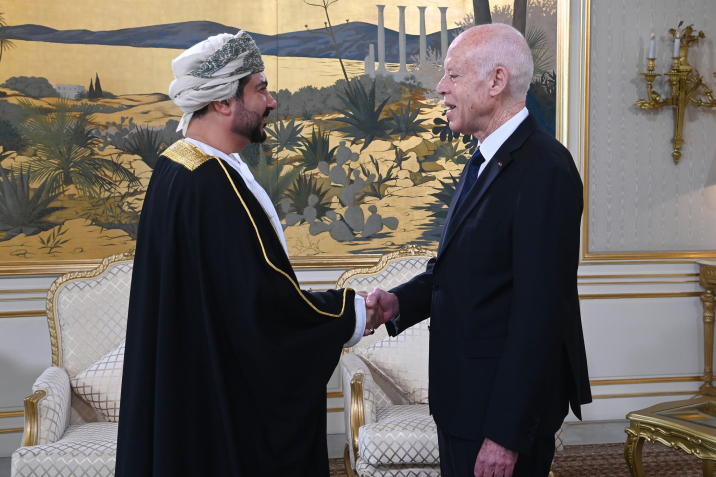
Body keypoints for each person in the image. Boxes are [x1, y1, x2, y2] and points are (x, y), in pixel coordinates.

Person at [116, 31, 379, 477]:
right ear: (223, 100)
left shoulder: (176, 164)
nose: (271, 102)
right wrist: (350, 312)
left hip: (190, 393)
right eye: (261, 89)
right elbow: (263, 307)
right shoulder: (211, 184)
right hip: (216, 410)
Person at [366, 24, 591, 477]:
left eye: (453, 75)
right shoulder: (484, 159)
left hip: (497, 417)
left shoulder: (544, 170)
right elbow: (462, 270)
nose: (440, 87)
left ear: (496, 81)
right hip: (464, 403)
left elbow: (540, 314)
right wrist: (398, 302)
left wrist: (506, 435)